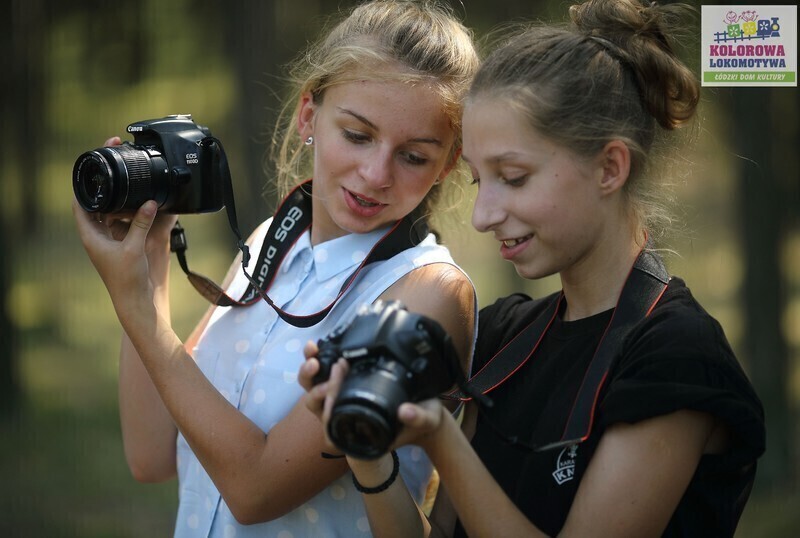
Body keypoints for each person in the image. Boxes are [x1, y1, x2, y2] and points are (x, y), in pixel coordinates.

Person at [300, 0, 766, 536]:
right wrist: (367, 450)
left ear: (610, 167)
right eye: (478, 180)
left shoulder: (674, 355)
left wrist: (440, 439)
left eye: (514, 177)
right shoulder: (505, 337)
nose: (481, 216)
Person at [72, 1, 480, 536]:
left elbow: (255, 490)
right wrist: (147, 254)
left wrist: (135, 309)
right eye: (357, 135)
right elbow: (151, 454)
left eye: (414, 156)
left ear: (448, 163)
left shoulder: (430, 293)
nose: (376, 173)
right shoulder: (272, 242)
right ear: (309, 115)